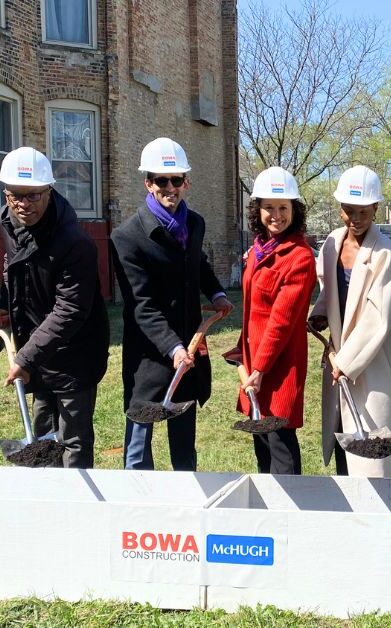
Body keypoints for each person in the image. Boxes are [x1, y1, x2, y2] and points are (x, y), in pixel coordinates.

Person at [111, 137, 233, 471]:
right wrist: (173, 347)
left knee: (183, 437)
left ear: (185, 182)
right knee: (140, 431)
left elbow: (198, 263)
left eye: (176, 180)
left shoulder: (194, 223)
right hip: (149, 351)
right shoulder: (127, 237)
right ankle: (138, 491)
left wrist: (216, 293)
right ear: (148, 183)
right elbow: (141, 304)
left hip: (188, 345)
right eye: (161, 180)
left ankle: (186, 489)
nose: (169, 188)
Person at [0, 147, 109, 468]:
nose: (23, 204)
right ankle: (49, 495)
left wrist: (25, 358)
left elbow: (70, 309)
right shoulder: (8, 224)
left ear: (49, 190)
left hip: (75, 354)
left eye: (33, 195)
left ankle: (77, 497)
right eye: (15, 195)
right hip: (37, 349)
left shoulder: (74, 242)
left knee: (73, 442)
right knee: (43, 437)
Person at [308, 165, 391, 478]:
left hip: (376, 360)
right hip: (341, 356)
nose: (355, 219)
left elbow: (378, 317)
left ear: (376, 208)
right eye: (349, 211)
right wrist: (319, 313)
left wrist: (346, 362)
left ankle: (375, 505)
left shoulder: (386, 254)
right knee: (343, 435)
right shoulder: (331, 244)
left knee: (371, 455)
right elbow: (329, 288)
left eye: (363, 211)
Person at [226, 166, 316, 475]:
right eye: (269, 208)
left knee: (279, 438)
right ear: (258, 210)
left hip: (279, 363)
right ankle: (267, 498)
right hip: (254, 360)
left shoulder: (299, 257)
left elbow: (282, 320)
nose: (276, 215)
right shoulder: (258, 250)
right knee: (261, 436)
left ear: (294, 210)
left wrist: (261, 368)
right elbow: (253, 308)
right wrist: (244, 353)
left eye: (283, 208)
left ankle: (290, 500)